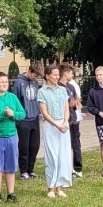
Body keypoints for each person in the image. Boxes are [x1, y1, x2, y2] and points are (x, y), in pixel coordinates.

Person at [0, 71, 25, 202]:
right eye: (1, 82)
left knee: (10, 166)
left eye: (6, 82)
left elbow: (22, 113)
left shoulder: (12, 97)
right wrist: (3, 114)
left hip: (11, 136)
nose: (4, 84)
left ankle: (11, 193)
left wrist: (13, 114)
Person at [37, 65, 72, 197]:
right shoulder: (42, 91)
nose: (57, 77)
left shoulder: (62, 90)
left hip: (63, 124)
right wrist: (57, 125)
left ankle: (59, 186)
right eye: (54, 75)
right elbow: (44, 112)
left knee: (63, 155)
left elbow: (66, 108)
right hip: (51, 125)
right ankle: (50, 187)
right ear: (47, 76)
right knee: (52, 156)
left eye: (58, 74)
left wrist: (65, 121)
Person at [12, 63, 44, 180]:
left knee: (34, 146)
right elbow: (15, 101)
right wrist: (18, 117)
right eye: (34, 75)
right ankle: (24, 171)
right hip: (23, 119)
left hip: (34, 118)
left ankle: (31, 169)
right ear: (29, 71)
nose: (35, 78)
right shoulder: (18, 83)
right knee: (24, 146)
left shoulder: (35, 82)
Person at [62, 64, 84, 178]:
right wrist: (69, 105)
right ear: (65, 73)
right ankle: (66, 168)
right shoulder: (60, 87)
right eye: (71, 73)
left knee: (74, 143)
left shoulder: (72, 86)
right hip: (65, 120)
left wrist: (75, 104)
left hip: (74, 119)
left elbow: (77, 103)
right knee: (66, 145)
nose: (73, 75)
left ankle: (77, 168)